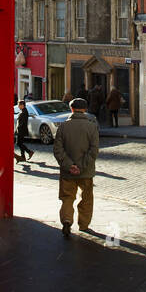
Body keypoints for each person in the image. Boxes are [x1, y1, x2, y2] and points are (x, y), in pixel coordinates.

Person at [53, 97, 99, 238]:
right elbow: (94, 150)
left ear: (71, 109)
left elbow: (58, 150)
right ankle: (84, 224)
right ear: (85, 109)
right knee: (86, 198)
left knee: (67, 197)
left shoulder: (63, 127)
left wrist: (70, 165)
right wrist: (81, 166)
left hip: (67, 172)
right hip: (86, 171)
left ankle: (67, 220)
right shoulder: (91, 127)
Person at [14, 95, 34, 163]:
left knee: (19, 143)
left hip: (21, 130)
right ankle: (23, 156)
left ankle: (29, 152)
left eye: (19, 105)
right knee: (20, 143)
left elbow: (21, 123)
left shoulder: (24, 112)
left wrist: (17, 130)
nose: (18, 106)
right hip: (20, 130)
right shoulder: (23, 111)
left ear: (22, 105)